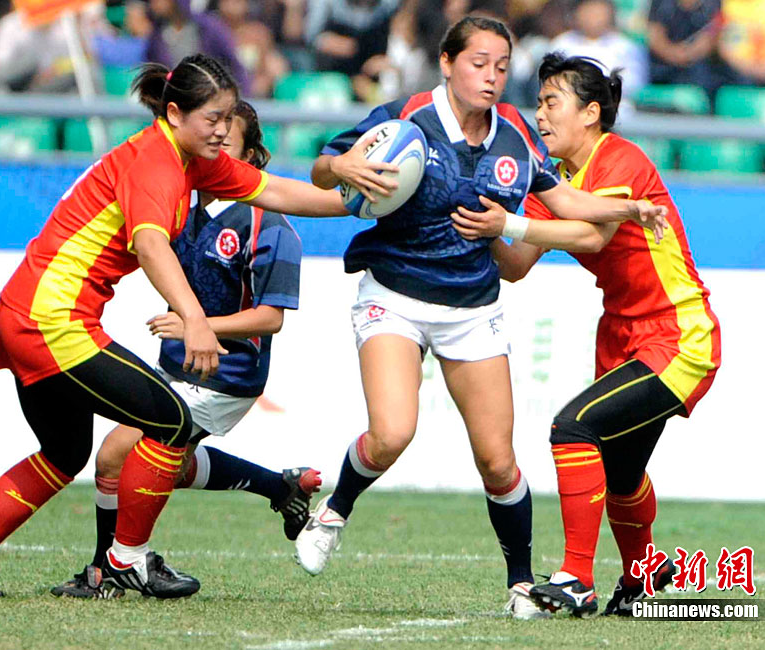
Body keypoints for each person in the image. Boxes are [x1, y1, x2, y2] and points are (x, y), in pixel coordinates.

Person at [0, 53, 348, 599]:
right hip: (51, 321)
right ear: (174, 113)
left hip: (26, 313)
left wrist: (361, 199)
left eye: (228, 118)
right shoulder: (156, 162)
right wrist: (195, 320)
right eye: (213, 118)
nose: (223, 129)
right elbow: (150, 244)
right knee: (170, 421)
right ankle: (126, 559)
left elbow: (278, 191)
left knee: (64, 454)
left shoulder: (191, 160)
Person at [292, 16, 666, 620]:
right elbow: (322, 168)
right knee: (392, 433)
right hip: (395, 295)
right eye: (478, 63)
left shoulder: (515, 132)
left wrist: (628, 209)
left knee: (498, 461)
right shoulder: (406, 117)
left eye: (501, 66)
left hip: (472, 309)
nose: (491, 77)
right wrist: (340, 169)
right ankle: (334, 512)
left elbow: (565, 201)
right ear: (447, 63)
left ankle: (520, 583)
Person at [450, 52, 720, 617]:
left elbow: (594, 234)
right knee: (621, 471)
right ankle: (642, 583)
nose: (540, 115)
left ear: (591, 112)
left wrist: (509, 221)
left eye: (552, 102)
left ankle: (577, 578)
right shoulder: (550, 183)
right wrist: (472, 220)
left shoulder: (620, 158)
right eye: (538, 103)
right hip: (622, 336)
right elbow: (515, 264)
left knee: (572, 428)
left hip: (677, 334)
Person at [50, 100, 322, 599]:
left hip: (226, 375)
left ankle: (110, 569)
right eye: (208, 136)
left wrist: (197, 325)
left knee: (116, 457)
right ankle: (279, 488)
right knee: (157, 465)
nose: (213, 149)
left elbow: (271, 318)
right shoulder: (182, 202)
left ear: (251, 157)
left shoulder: (269, 225)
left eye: (227, 142)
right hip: (175, 365)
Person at [549, 0, 647, 98]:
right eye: (589, 10)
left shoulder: (626, 46)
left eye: (599, 11)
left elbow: (633, 83)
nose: (594, 17)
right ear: (577, 13)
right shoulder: (562, 44)